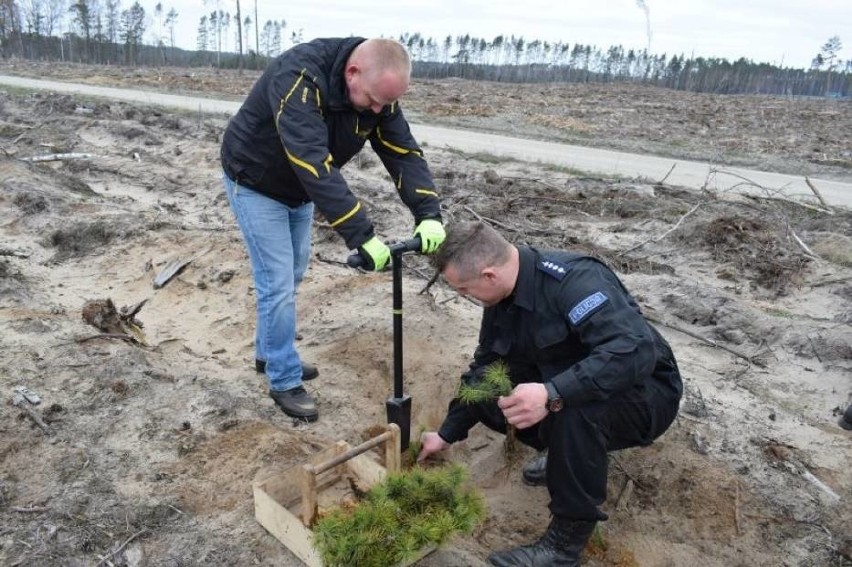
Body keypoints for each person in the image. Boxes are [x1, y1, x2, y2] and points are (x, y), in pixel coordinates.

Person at [418, 221, 682, 566]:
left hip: (645, 393)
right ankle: (563, 455)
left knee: (574, 410)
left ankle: (564, 546)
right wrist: (446, 433)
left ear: (489, 275)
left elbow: (634, 351)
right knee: (485, 389)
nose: (465, 298)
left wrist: (552, 393)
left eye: (465, 290)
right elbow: (486, 364)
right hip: (567, 382)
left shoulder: (575, 282)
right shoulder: (501, 298)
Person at [220, 38, 444, 422]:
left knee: (292, 272)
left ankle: (269, 352)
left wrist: (428, 212)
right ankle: (283, 378)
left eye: (385, 104)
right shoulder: (299, 78)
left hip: (299, 190)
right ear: (352, 72)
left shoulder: (379, 97)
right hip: (255, 179)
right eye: (373, 100)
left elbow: (403, 152)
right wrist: (362, 235)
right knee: (276, 281)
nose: (378, 110)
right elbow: (312, 161)